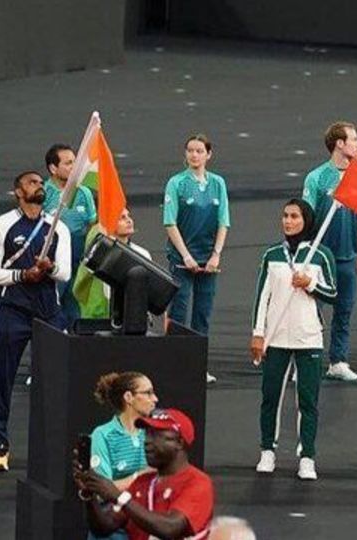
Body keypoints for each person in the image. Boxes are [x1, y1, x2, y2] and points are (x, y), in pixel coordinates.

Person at [0, 171, 71, 471]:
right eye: (32, 182)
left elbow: (65, 273)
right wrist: (22, 275)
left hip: (49, 312)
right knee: (3, 379)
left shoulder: (57, 227)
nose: (39, 185)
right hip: (14, 310)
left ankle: (56, 448)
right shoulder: (1, 225)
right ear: (18, 192)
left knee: (57, 379)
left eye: (41, 182)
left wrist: (50, 267)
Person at [250, 199, 337, 481]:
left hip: (308, 337)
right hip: (275, 337)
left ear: (306, 220)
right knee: (270, 397)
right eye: (285, 216)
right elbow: (262, 296)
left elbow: (333, 294)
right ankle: (267, 450)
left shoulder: (320, 254)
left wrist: (310, 284)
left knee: (308, 401)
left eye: (294, 216)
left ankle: (307, 456)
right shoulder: (272, 255)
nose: (288, 221)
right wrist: (258, 333)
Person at [75, 408, 214, 540]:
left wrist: (118, 497)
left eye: (155, 435)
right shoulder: (142, 482)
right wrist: (89, 495)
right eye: (146, 434)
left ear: (179, 442)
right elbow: (103, 527)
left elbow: (170, 528)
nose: (146, 441)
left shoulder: (197, 482)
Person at [302, 121, 357, 382]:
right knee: (311, 313)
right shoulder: (317, 178)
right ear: (339, 144)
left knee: (344, 311)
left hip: (347, 256)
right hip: (320, 258)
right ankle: (305, 362)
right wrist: (304, 254)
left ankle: (338, 361)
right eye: (354, 139)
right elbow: (306, 217)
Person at [164, 134, 230, 384]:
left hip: (208, 259)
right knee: (179, 312)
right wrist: (185, 255)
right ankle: (174, 364)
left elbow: (223, 221)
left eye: (199, 151)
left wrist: (216, 254)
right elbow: (170, 222)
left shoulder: (217, 183)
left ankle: (198, 366)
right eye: (190, 150)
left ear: (208, 154)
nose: (194, 155)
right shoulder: (177, 183)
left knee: (203, 314)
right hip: (183, 259)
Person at [88, 371, 158, 540]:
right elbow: (102, 490)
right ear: (128, 397)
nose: (155, 399)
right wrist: (140, 476)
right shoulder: (102, 435)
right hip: (114, 530)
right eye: (148, 393)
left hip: (148, 527)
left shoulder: (156, 433)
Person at [44, 143, 97, 324]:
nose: (74, 167)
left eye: (75, 162)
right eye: (68, 163)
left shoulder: (84, 192)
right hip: (54, 263)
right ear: (53, 168)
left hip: (78, 260)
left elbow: (92, 225)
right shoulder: (44, 194)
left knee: (75, 312)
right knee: (53, 309)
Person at [73, 207, 152, 319]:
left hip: (132, 317)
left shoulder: (143, 254)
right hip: (100, 318)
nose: (129, 220)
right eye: (122, 218)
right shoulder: (100, 251)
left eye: (129, 216)